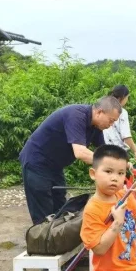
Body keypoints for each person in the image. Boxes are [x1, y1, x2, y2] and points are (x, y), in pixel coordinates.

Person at [19, 96, 123, 225]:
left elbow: (105, 151)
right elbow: (80, 152)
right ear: (99, 112)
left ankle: (58, 241)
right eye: (111, 120)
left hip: (55, 166)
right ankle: (43, 242)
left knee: (61, 208)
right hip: (36, 162)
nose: (111, 125)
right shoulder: (76, 115)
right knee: (43, 213)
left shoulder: (95, 127)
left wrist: (122, 161)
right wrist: (111, 165)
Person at [103, 85, 136, 161]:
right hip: (118, 152)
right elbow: (126, 136)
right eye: (127, 97)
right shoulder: (122, 112)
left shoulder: (104, 108)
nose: (127, 100)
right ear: (123, 97)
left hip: (104, 149)